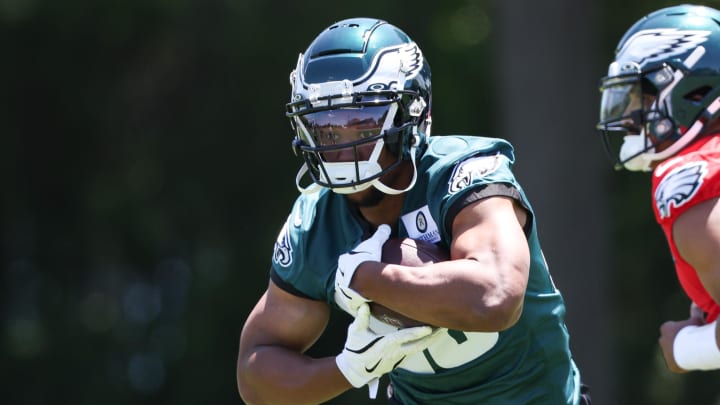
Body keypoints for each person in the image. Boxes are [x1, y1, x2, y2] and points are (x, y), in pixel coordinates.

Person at [238, 17, 589, 404]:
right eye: (324, 126)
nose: (340, 148)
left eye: (360, 122)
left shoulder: (462, 174)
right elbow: (255, 378)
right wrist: (349, 368)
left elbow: (496, 296)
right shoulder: (317, 220)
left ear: (411, 114)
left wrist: (368, 278)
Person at [596, 4, 720, 374]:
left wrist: (687, 349)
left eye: (645, 97)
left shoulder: (691, 178)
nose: (633, 116)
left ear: (691, 90)